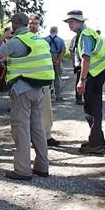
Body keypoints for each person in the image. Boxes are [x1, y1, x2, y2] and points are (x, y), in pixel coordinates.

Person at [0, 12, 54, 180]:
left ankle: (22, 170)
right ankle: (42, 166)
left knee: (21, 129)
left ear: (15, 24)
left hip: (22, 89)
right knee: (37, 128)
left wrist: (3, 37)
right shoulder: (40, 40)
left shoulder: (16, 41)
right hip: (40, 89)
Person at [64, 10, 105, 155]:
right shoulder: (87, 33)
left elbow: (86, 58)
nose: (69, 24)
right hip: (96, 74)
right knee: (94, 108)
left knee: (92, 109)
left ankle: (96, 144)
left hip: (92, 75)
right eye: (68, 22)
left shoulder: (85, 35)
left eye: (71, 21)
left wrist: (82, 81)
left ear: (80, 21)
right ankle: (97, 140)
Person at [29, 15, 58, 146]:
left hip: (43, 80)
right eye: (31, 23)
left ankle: (46, 135)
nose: (33, 25)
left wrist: (50, 79)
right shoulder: (22, 40)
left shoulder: (42, 42)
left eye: (35, 23)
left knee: (46, 109)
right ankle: (31, 137)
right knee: (29, 112)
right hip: (28, 81)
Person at [44, 26, 66, 101]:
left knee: (47, 78)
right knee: (57, 78)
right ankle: (58, 95)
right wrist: (58, 60)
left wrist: (51, 59)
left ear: (50, 31)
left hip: (47, 58)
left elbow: (43, 51)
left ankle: (47, 96)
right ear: (57, 31)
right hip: (57, 57)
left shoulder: (45, 39)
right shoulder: (60, 40)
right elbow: (63, 50)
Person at [69, 34, 83, 105]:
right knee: (80, 81)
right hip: (80, 64)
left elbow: (71, 51)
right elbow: (71, 51)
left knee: (80, 80)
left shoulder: (74, 38)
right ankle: (79, 98)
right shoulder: (75, 38)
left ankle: (79, 98)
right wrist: (74, 63)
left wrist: (73, 63)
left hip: (80, 63)